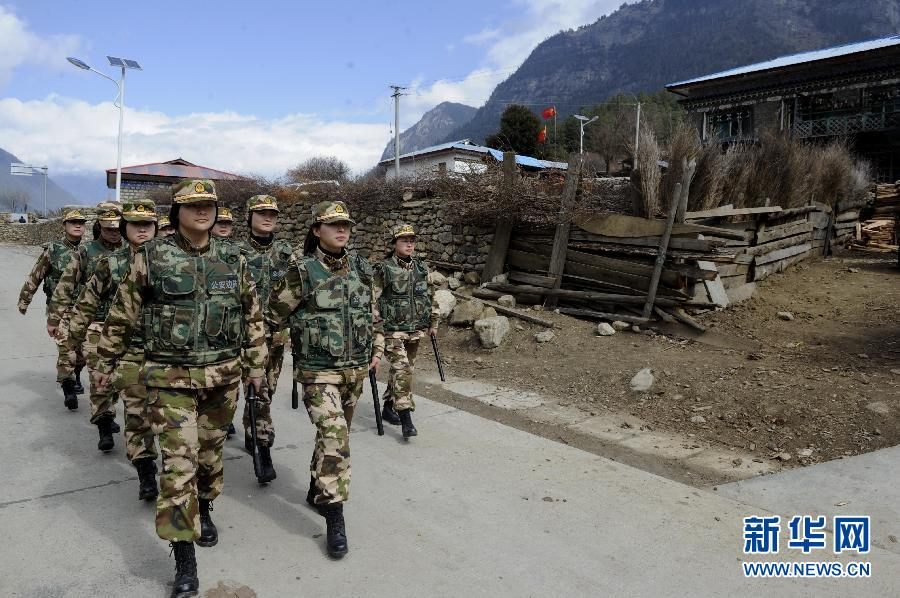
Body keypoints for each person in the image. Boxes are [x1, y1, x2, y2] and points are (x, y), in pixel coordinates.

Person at [93, 179, 266, 598]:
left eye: (208, 204)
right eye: (192, 206)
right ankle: (184, 557)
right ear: (177, 213)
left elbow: (253, 314)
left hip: (222, 379)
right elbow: (122, 313)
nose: (202, 211)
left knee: (209, 458)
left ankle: (204, 508)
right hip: (170, 380)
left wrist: (257, 366)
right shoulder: (152, 257)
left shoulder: (234, 257)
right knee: (178, 464)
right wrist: (104, 363)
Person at [267, 200, 383, 559]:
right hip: (318, 372)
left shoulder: (362, 268)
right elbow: (272, 315)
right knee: (335, 438)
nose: (342, 230)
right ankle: (334, 515)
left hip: (354, 371)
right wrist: (271, 349)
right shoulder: (302, 271)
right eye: (333, 225)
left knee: (335, 436)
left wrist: (377, 346)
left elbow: (373, 313)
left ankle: (317, 486)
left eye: (346, 224)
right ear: (317, 230)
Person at [67, 199, 160, 500]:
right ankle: (146, 471)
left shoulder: (171, 262)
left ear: (156, 228)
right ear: (125, 228)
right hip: (129, 350)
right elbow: (86, 303)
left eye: (148, 225)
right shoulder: (112, 263)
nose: (142, 230)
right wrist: (72, 342)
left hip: (168, 354)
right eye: (135, 224)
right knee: (136, 413)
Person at [47, 202, 124, 446]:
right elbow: (65, 285)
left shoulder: (133, 252)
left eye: (117, 227)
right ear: (99, 226)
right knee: (99, 375)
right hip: (94, 324)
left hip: (125, 327)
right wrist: (55, 317)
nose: (113, 231)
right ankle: (103, 424)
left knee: (122, 379)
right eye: (108, 227)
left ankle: (109, 409)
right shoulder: (86, 252)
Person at [237, 194, 293, 484]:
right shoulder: (235, 252)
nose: (268, 218)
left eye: (272, 214)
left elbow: (297, 292)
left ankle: (255, 434)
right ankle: (261, 442)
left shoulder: (286, 252)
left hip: (276, 336)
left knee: (265, 391)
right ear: (250, 217)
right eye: (261, 213)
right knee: (252, 392)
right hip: (243, 338)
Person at [373, 223, 439, 439]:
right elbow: (372, 301)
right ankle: (406, 419)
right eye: (404, 240)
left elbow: (430, 296)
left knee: (405, 369)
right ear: (394, 244)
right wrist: (377, 329)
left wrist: (434, 322)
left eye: (412, 240)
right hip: (392, 331)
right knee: (403, 369)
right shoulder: (383, 269)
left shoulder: (421, 267)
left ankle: (388, 408)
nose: (409, 243)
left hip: (415, 329)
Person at [17, 208, 87, 409]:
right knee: (66, 349)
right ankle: (68, 388)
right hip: (60, 310)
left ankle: (77, 376)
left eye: (81, 222)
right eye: (73, 222)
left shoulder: (89, 251)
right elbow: (36, 275)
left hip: (84, 310)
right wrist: (25, 300)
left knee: (82, 352)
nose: (77, 225)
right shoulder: (53, 250)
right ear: (64, 225)